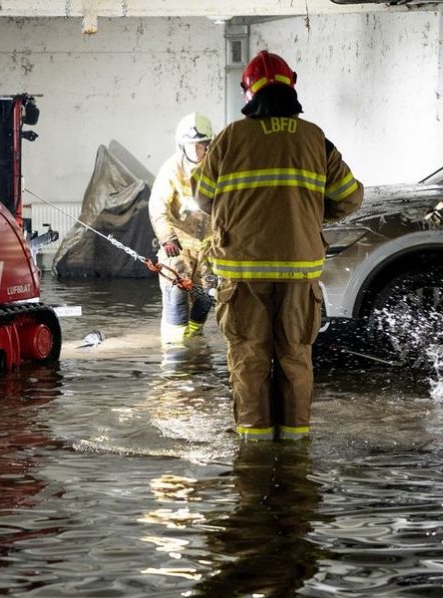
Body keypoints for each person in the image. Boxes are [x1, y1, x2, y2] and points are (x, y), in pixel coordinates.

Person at [193, 51, 363, 442]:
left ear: (247, 92)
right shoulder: (316, 139)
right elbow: (350, 198)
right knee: (295, 359)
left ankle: (253, 457)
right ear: (292, 84)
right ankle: (294, 452)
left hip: (242, 275)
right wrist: (307, 216)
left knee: (249, 359)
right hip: (299, 274)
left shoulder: (230, 137)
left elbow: (202, 197)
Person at [149, 112, 215, 346]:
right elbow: (158, 206)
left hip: (209, 249)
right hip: (178, 247)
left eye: (202, 146)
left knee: (207, 296)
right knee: (177, 292)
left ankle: (195, 344)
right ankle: (175, 354)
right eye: (192, 147)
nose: (197, 152)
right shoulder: (171, 169)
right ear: (181, 145)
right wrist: (168, 237)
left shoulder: (217, 167)